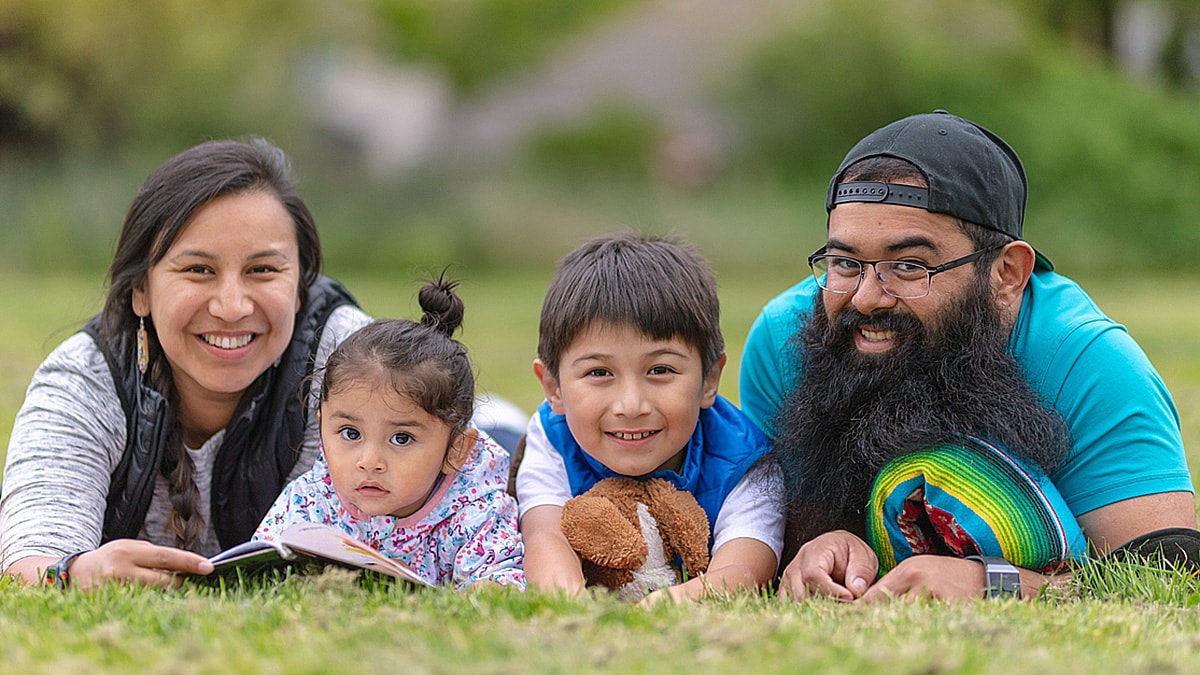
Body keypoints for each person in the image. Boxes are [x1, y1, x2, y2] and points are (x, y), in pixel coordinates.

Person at [0, 138, 523, 589]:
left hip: (489, 438)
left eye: (263, 269)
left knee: (501, 433)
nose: (232, 306)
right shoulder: (84, 379)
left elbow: (460, 505)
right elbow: (30, 552)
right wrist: (72, 573)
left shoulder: (348, 359)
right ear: (141, 289)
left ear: (300, 288)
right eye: (199, 269)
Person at [738, 110, 1196, 601]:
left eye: (909, 266)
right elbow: (764, 533)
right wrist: (813, 549)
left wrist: (993, 584)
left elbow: (1168, 578)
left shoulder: (1088, 362)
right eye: (846, 263)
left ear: (1007, 274)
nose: (865, 297)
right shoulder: (784, 340)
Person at [517, 232, 783, 603]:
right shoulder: (551, 437)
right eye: (599, 373)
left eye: (660, 370)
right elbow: (545, 535)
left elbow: (745, 568)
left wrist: (668, 605)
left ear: (709, 380)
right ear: (554, 387)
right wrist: (570, 606)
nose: (631, 405)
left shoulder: (744, 459)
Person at [254, 278, 524, 590]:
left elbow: (502, 579)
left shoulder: (475, 509)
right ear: (322, 428)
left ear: (456, 450)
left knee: (510, 435)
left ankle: (505, 417)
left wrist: (488, 588)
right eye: (350, 433)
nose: (369, 462)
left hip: (504, 438)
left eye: (401, 438)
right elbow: (261, 565)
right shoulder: (311, 498)